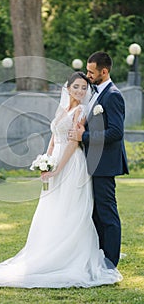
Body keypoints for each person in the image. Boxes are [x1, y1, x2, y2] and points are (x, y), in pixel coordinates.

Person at [0, 72, 122, 290]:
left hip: (72, 165)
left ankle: (68, 254)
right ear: (67, 88)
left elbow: (73, 144)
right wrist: (46, 161)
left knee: (70, 210)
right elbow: (54, 138)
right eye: (76, 87)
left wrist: (57, 170)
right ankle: (47, 250)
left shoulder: (81, 112)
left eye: (84, 88)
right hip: (56, 162)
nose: (80, 91)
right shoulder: (62, 110)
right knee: (52, 209)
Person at [68, 52, 129, 268]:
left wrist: (83, 137)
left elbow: (115, 133)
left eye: (92, 72)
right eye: (87, 70)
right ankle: (101, 255)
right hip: (92, 163)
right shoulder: (95, 93)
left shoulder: (112, 95)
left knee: (107, 213)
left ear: (104, 71)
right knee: (95, 213)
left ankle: (111, 262)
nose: (88, 75)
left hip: (105, 164)